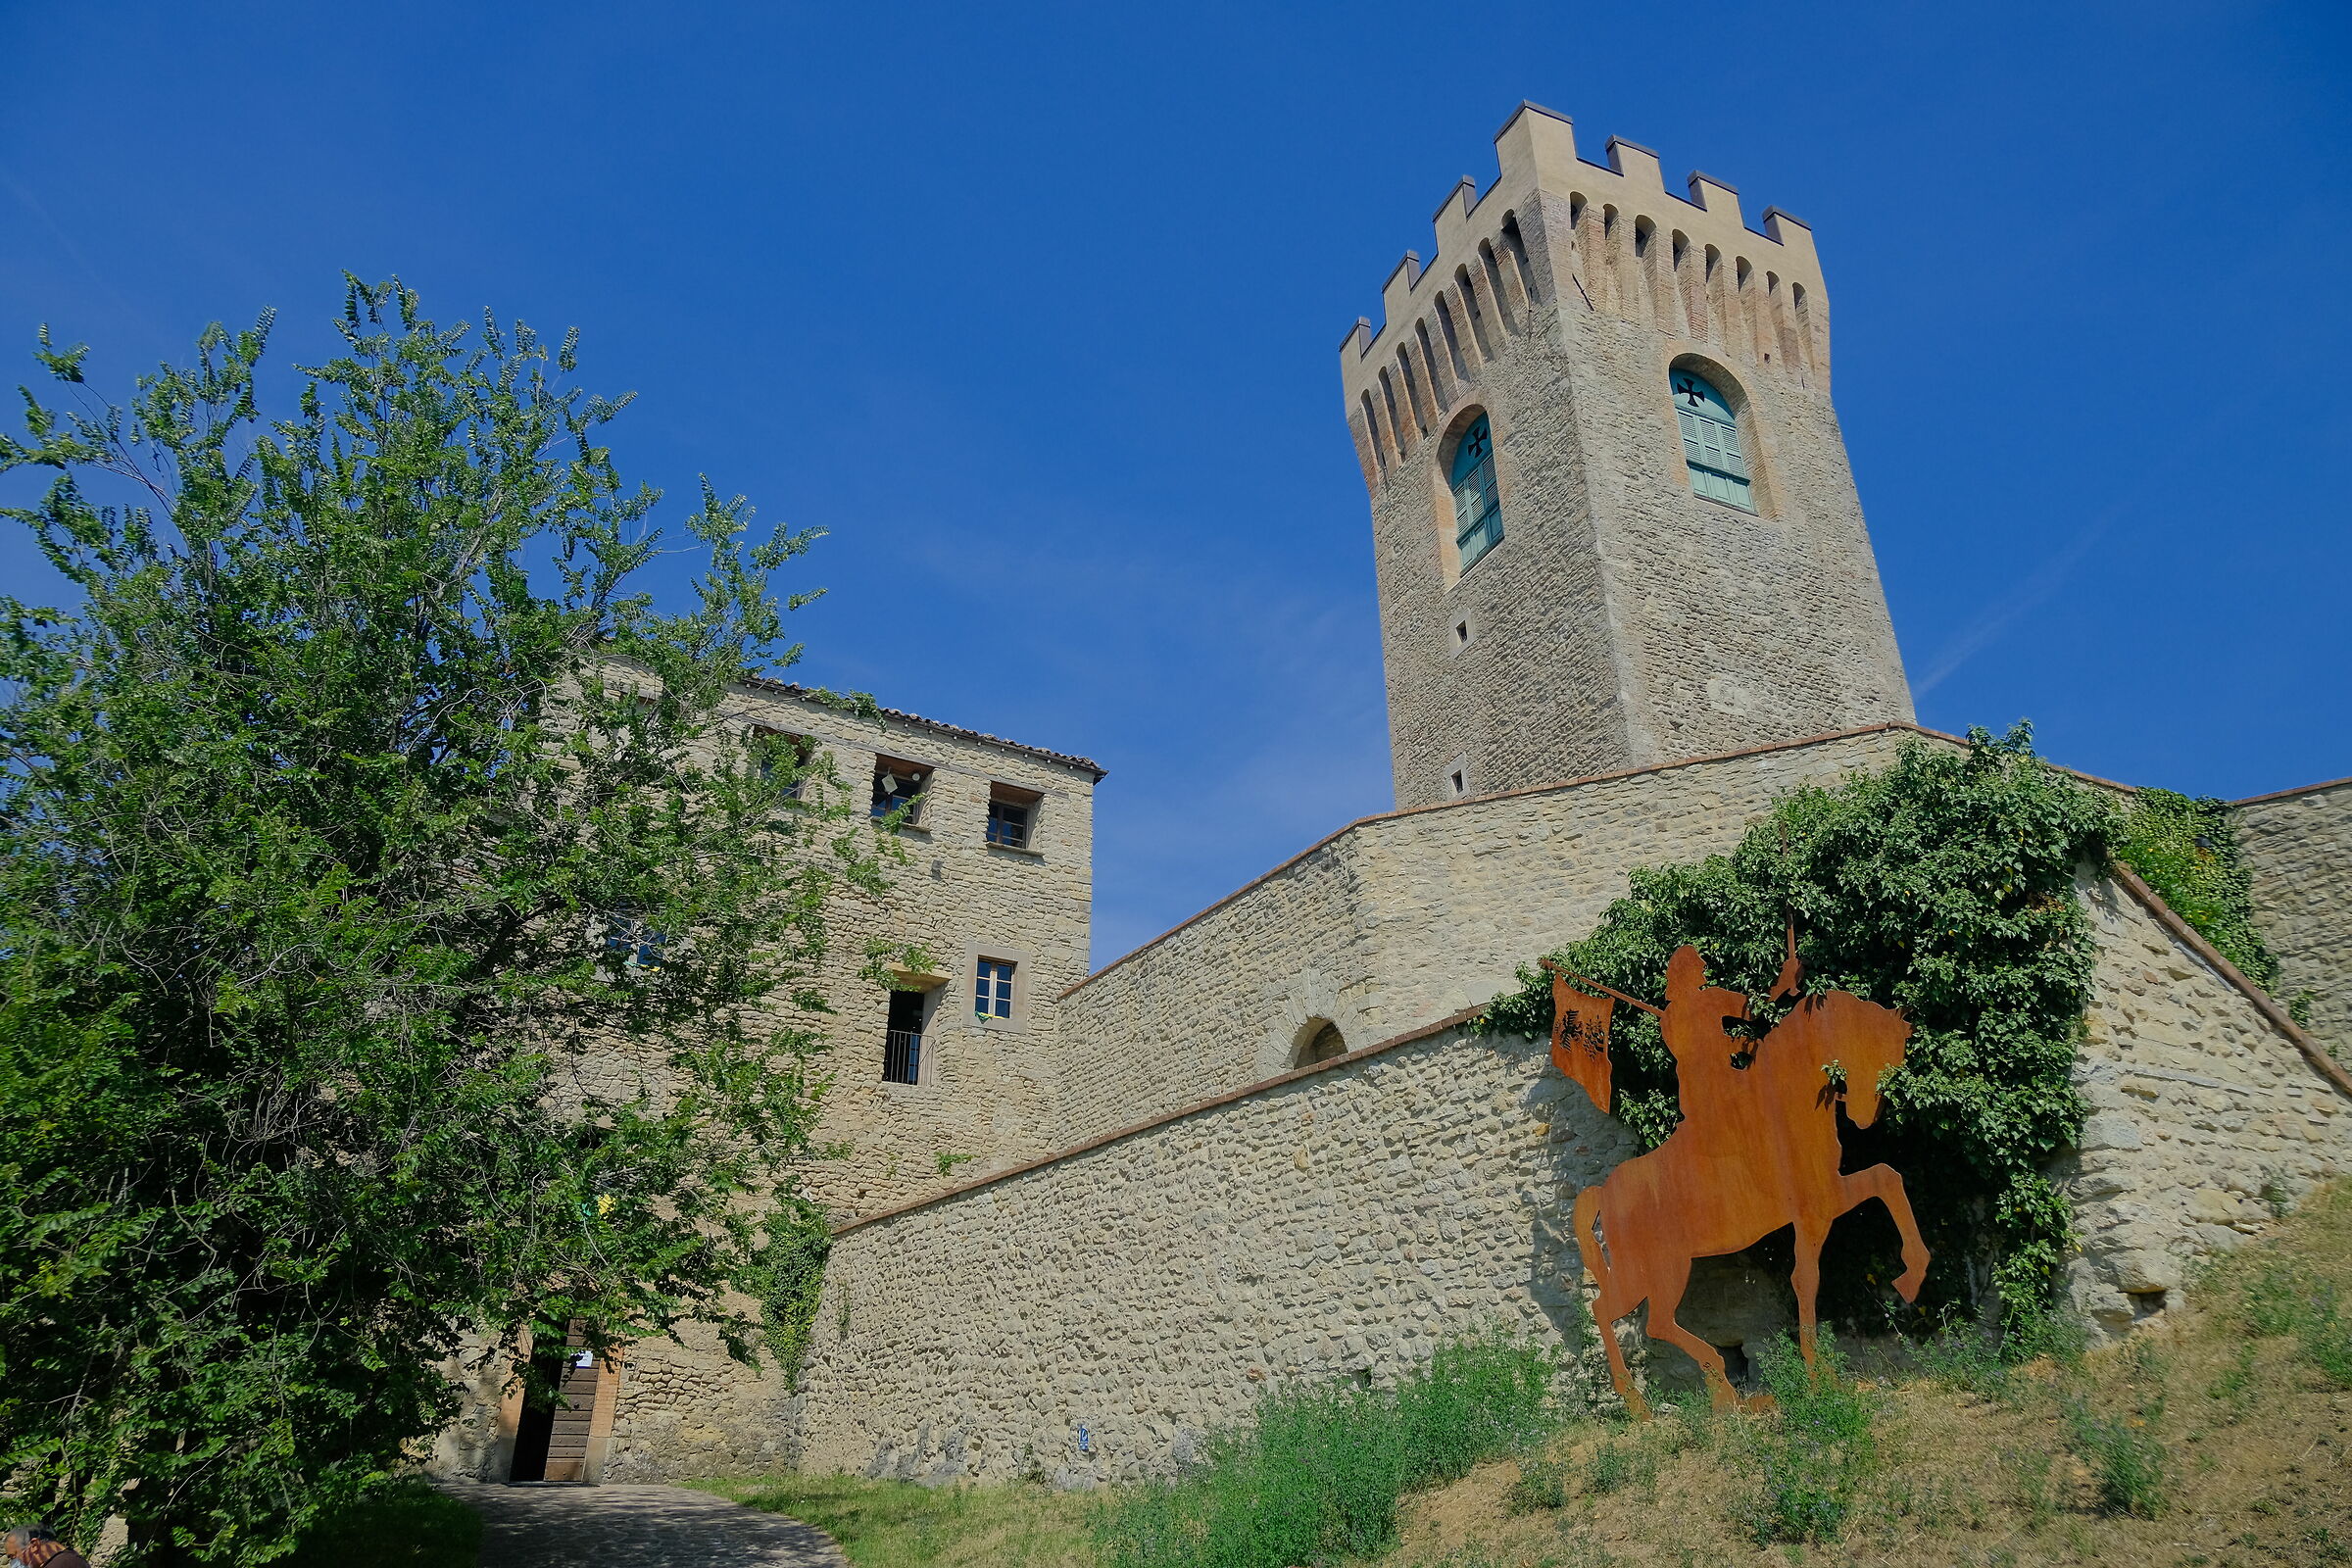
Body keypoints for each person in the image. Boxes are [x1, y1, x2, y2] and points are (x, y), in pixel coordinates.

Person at [1, 1526, 89, 1568]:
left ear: (34, 1545)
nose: (13, 1564)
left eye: (13, 1556)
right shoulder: (67, 1560)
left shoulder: (64, 1563)